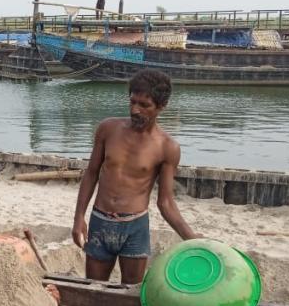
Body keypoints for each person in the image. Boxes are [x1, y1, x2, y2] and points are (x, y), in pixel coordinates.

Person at [72, 70, 198, 285]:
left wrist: (192, 239)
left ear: (161, 106)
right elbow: (91, 173)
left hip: (135, 227)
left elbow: (166, 202)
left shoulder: (167, 148)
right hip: (100, 223)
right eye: (132, 102)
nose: (135, 110)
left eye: (144, 105)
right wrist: (79, 217)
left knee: (130, 296)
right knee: (94, 292)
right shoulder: (108, 129)